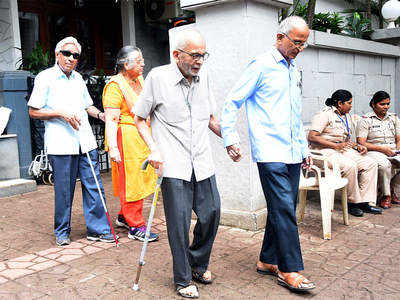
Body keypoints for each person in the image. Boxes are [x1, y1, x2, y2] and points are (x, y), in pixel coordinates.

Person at [220, 16, 315, 293]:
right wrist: (230, 138)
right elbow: (232, 101)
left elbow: (295, 115)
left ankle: (267, 259)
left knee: (282, 207)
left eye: (303, 44)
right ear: (279, 38)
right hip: (270, 151)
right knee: (285, 208)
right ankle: (289, 268)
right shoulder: (260, 65)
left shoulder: (293, 69)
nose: (299, 48)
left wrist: (303, 148)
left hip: (292, 152)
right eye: (296, 42)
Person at [134, 28, 221, 299]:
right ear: (177, 54)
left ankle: (197, 262)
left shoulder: (203, 77)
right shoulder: (157, 78)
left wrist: (230, 140)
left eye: (203, 55)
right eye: (194, 55)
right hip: (173, 164)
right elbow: (139, 118)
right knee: (179, 224)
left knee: (212, 214)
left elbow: (210, 117)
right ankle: (183, 279)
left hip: (202, 161)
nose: (199, 61)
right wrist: (154, 149)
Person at [28, 37, 116, 246]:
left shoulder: (77, 78)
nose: (71, 58)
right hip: (61, 143)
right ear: (57, 55)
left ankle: (98, 230)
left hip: (85, 141)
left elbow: (87, 106)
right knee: (64, 190)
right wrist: (61, 114)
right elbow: (33, 111)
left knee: (94, 186)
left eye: (75, 55)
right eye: (67, 54)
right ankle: (62, 231)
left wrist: (101, 115)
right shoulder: (45, 77)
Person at [102, 46, 158, 242]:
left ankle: (123, 215)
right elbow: (111, 118)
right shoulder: (114, 85)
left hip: (140, 138)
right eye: (139, 61)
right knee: (131, 180)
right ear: (126, 65)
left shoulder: (139, 80)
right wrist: (113, 148)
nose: (143, 64)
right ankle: (135, 225)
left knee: (140, 178)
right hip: (125, 138)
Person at [308, 89, 382, 217]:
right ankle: (352, 203)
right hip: (324, 151)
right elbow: (312, 137)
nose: (351, 106)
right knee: (350, 165)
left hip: (341, 149)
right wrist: (335, 146)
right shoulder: (324, 115)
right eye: (349, 103)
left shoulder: (345, 115)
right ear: (339, 103)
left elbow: (344, 139)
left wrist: (357, 146)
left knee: (370, 163)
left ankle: (364, 202)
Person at [357, 91, 400, 209]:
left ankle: (392, 188)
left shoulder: (394, 118)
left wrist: (397, 150)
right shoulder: (366, 119)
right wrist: (382, 149)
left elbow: (398, 138)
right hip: (374, 150)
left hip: (393, 150)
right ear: (373, 104)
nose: (386, 107)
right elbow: (361, 142)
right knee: (385, 165)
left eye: (388, 104)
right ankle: (386, 196)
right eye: (382, 104)